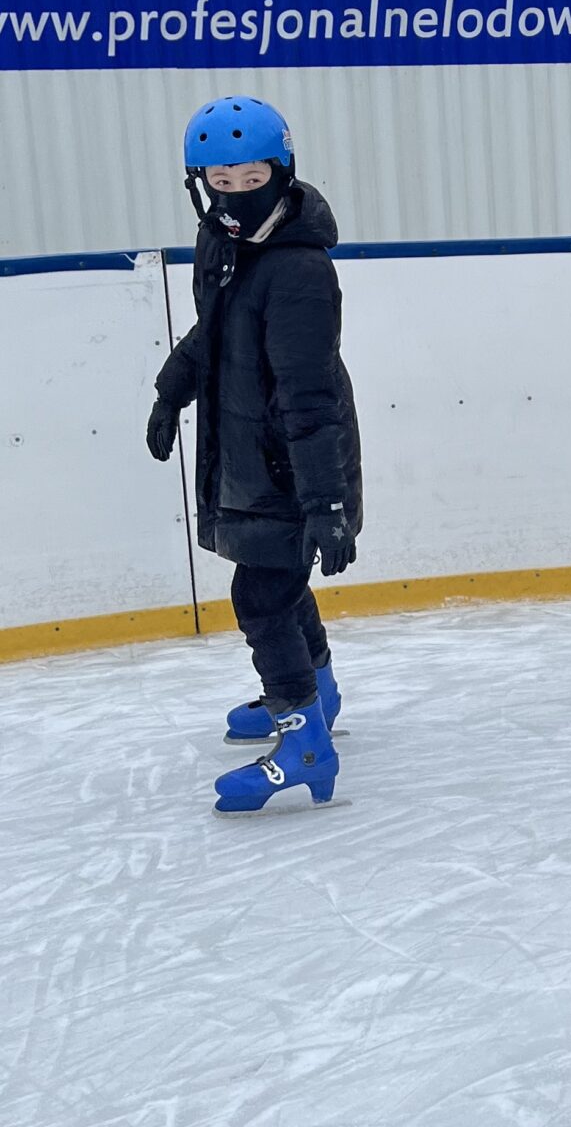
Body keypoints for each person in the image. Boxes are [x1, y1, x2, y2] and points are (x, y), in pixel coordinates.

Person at [146, 95, 362, 815]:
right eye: (221, 182)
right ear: (201, 184)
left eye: (252, 178)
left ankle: (305, 742)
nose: (237, 194)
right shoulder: (222, 242)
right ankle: (317, 692)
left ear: (282, 171)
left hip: (294, 464)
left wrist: (326, 502)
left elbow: (309, 396)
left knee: (261, 597)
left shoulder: (298, 270)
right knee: (277, 581)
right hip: (253, 452)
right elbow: (213, 331)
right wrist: (170, 393)